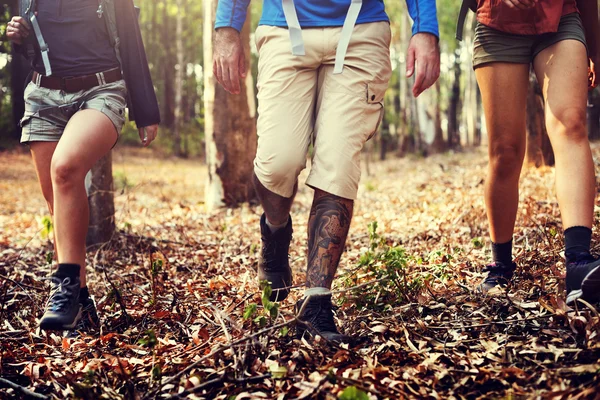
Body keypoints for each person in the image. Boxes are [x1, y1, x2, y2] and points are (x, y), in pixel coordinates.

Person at [213, 0, 440, 342]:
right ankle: (275, 230)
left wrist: (426, 28)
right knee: (278, 163)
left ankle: (316, 303)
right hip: (283, 27)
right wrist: (227, 28)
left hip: (362, 28)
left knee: (337, 162)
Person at [6, 0, 160, 332]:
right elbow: (33, 47)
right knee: (56, 202)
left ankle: (62, 287)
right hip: (43, 96)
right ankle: (82, 302)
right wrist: (18, 37)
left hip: (102, 90)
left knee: (64, 168)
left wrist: (146, 110)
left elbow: (131, 40)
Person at [471, 0, 600, 304]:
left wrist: (595, 48)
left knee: (570, 124)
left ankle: (579, 262)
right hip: (496, 23)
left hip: (561, 18)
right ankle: (500, 264)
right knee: (505, 151)